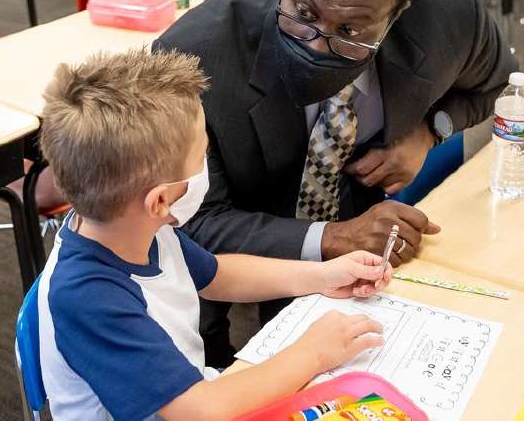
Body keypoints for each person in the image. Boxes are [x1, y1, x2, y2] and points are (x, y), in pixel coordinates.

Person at [154, 0, 518, 366]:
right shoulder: (193, 60)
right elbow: (193, 224)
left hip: (366, 234)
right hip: (244, 237)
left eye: (350, 30)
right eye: (302, 11)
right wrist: (333, 238)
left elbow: (503, 85)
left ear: (397, 13)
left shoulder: (449, 12)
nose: (315, 40)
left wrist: (429, 132)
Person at [35, 47, 392, 420]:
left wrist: (320, 275)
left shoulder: (134, 227)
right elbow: (200, 410)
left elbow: (216, 275)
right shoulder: (88, 296)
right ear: (159, 201)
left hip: (196, 394)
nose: (206, 166)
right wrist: (314, 352)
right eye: (201, 156)